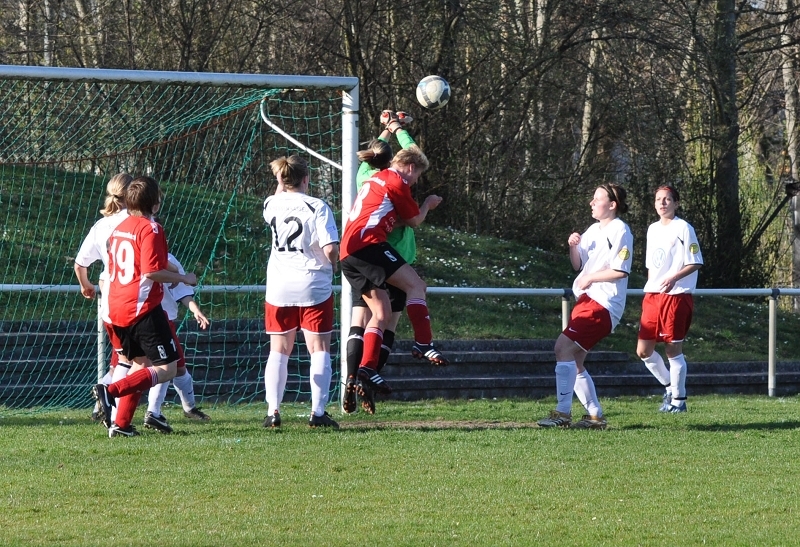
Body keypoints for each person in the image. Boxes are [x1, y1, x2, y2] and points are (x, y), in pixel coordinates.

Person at [340, 144, 448, 400]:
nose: (415, 181)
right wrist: (427, 205)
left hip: (348, 253)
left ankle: (367, 368)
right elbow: (414, 220)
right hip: (368, 246)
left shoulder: (375, 178)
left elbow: (385, 216)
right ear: (410, 167)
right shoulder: (397, 181)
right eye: (418, 175)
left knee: (381, 312)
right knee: (416, 286)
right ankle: (424, 343)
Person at [93, 175, 198, 437]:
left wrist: (174, 271)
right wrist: (184, 278)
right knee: (167, 368)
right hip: (141, 309)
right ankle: (110, 391)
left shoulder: (120, 227)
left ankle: (121, 425)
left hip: (115, 306)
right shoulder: (151, 228)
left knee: (140, 364)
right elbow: (152, 271)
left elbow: (148, 261)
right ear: (155, 204)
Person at [537, 183, 633, 430]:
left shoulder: (620, 230)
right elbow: (577, 265)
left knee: (562, 348)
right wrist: (573, 246)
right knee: (575, 360)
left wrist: (590, 278)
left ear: (612, 205)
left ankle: (562, 412)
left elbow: (620, 271)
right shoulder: (593, 229)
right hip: (587, 301)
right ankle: (595, 417)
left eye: (597, 199)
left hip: (603, 303)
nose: (591, 202)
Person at [344, 110, 420, 415]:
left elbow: (375, 152)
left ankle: (351, 379)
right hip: (392, 258)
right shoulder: (397, 182)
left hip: (359, 255)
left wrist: (386, 130)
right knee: (387, 323)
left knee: (359, 321)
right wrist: (398, 127)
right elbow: (414, 154)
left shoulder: (365, 175)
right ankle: (369, 379)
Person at [262, 155, 340, 429]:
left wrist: (281, 181)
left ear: (281, 179)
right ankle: (317, 412)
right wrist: (335, 263)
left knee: (279, 350)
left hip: (279, 286)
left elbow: (278, 195)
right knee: (319, 349)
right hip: (313, 286)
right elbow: (330, 249)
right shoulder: (318, 206)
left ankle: (273, 411)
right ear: (306, 178)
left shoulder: (270, 204)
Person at [636, 185, 703, 413]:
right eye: (658, 199)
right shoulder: (652, 229)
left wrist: (674, 277)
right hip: (653, 296)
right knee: (643, 350)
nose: (662, 203)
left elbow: (695, 261)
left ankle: (679, 401)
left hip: (676, 296)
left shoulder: (683, 228)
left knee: (673, 350)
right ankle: (669, 386)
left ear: (676, 203)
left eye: (667, 199)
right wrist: (651, 288)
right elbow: (651, 265)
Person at [74, 173, 133, 425]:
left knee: (121, 358)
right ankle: (115, 407)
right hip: (132, 298)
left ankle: (106, 401)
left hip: (109, 303)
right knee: (143, 361)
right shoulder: (137, 221)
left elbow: (80, 264)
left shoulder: (101, 225)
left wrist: (86, 286)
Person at [142, 252, 212, 433]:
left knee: (178, 368)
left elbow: (182, 292)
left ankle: (189, 408)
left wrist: (196, 311)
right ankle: (149, 412)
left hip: (161, 321)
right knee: (161, 365)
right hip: (144, 319)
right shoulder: (138, 256)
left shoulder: (169, 260)